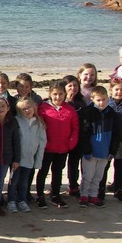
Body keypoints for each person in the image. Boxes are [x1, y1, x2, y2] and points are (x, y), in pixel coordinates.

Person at [36, 81, 79, 209]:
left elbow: (75, 128)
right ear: (50, 94)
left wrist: (71, 142)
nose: (58, 97)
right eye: (55, 94)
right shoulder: (43, 108)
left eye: (60, 94)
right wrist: (43, 143)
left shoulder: (70, 109)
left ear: (65, 94)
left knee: (57, 171)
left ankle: (55, 194)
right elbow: (39, 127)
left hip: (63, 148)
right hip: (47, 148)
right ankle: (40, 195)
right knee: (43, 171)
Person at [78, 86, 120, 207]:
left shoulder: (112, 113)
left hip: (105, 152)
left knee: (98, 176)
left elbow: (116, 134)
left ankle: (93, 196)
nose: (101, 103)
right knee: (88, 175)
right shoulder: (87, 113)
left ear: (108, 98)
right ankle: (84, 195)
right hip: (90, 152)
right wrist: (86, 150)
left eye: (104, 99)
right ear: (92, 99)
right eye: (98, 100)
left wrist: (112, 151)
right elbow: (84, 134)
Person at [10, 97, 46, 213]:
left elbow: (42, 143)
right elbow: (13, 140)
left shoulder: (39, 123)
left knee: (24, 182)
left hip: (30, 159)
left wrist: (38, 161)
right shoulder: (16, 121)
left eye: (28, 107)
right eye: (23, 109)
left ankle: (22, 200)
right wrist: (13, 158)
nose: (27, 110)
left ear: (34, 107)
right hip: (17, 159)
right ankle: (11, 200)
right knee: (13, 181)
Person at [101, 78, 122, 202]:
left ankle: (118, 189)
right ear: (111, 90)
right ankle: (101, 189)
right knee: (105, 165)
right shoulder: (106, 103)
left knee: (120, 166)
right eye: (116, 89)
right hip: (108, 140)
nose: (119, 92)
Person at [0, 96, 20, 216]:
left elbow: (16, 141)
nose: (0, 109)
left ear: (8, 108)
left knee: (0, 183)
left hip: (6, 158)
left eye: (3, 106)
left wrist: (16, 159)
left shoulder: (12, 122)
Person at [63, 74, 87, 197]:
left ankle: (74, 186)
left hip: (78, 136)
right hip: (62, 137)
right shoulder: (61, 100)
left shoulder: (81, 101)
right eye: (70, 86)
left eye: (76, 85)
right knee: (60, 163)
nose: (73, 88)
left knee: (75, 162)